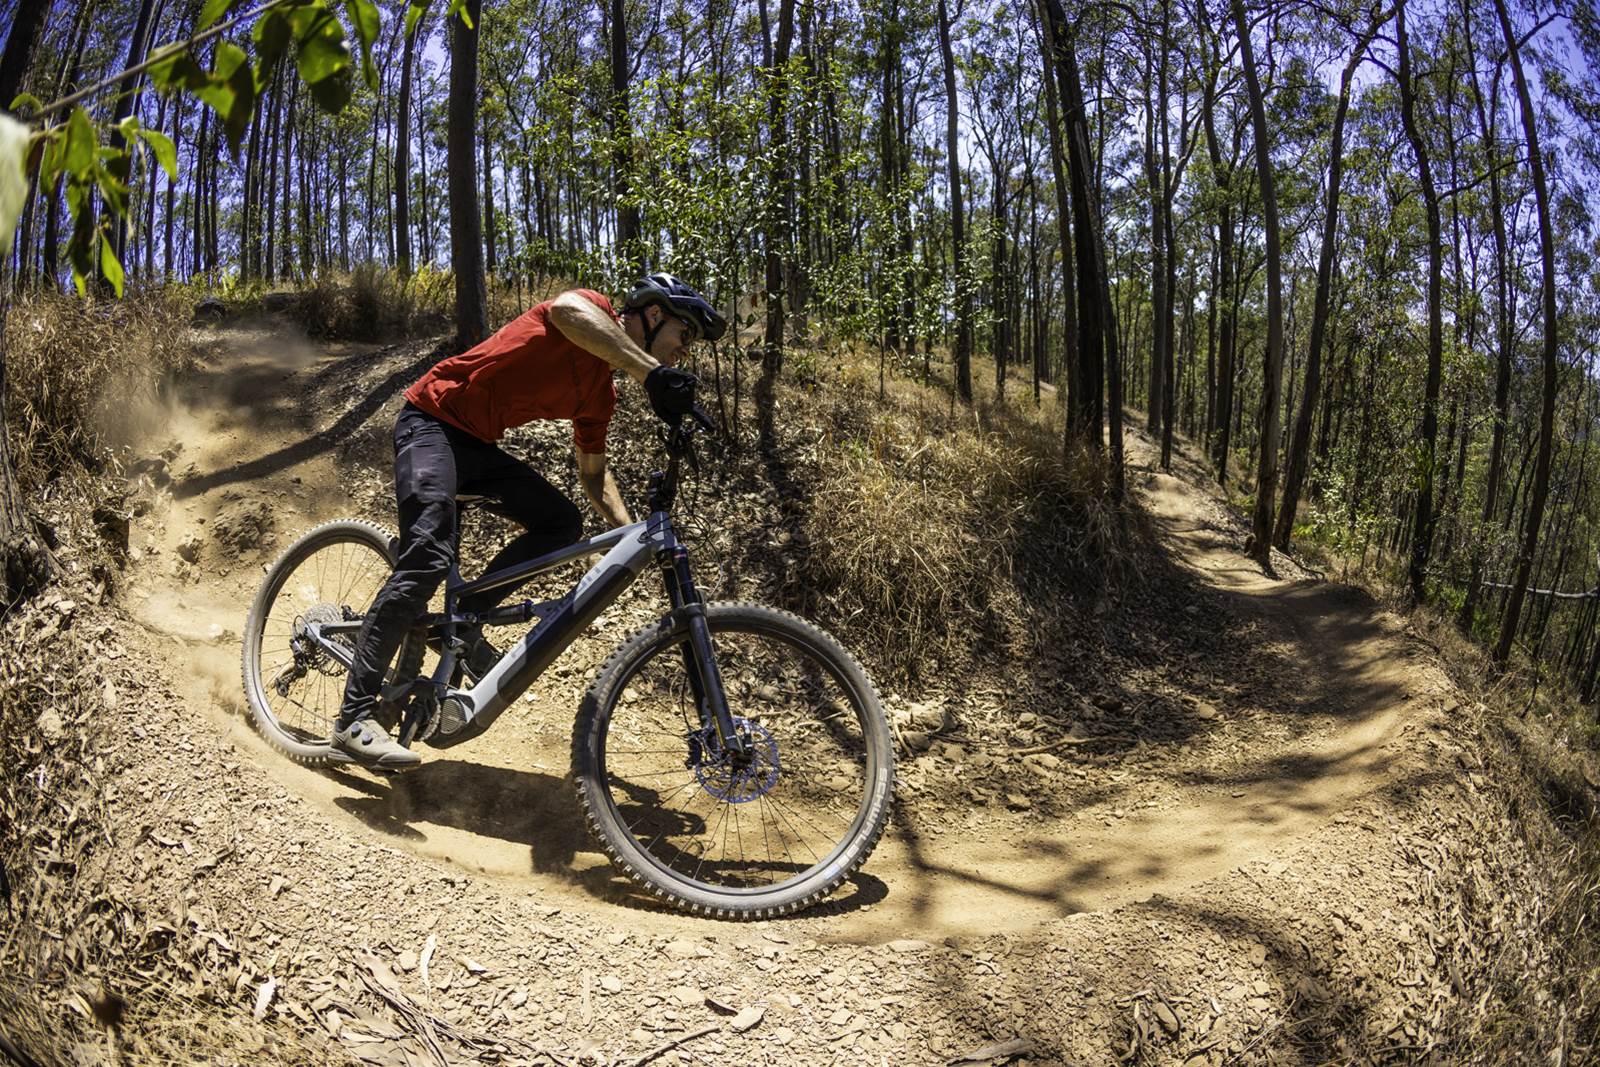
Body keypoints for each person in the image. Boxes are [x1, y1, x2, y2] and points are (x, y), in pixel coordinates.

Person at [332, 273, 727, 768]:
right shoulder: (589, 310)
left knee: (560, 521)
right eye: (683, 335)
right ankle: (353, 717)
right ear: (652, 316)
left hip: (477, 446)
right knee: (429, 557)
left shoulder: (600, 396)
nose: (683, 351)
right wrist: (650, 372)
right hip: (431, 420)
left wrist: (629, 532)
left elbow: (594, 477)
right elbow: (565, 311)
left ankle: (466, 614)